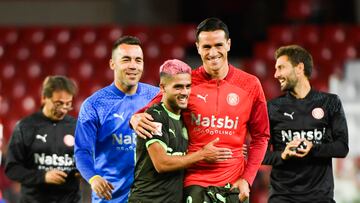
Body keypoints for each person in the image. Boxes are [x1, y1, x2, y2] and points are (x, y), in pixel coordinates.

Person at [131, 17, 270, 202]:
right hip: (194, 183)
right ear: (197, 47)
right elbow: (149, 110)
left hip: (234, 185)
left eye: (219, 45)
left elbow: (261, 137)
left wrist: (247, 179)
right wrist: (134, 118)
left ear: (228, 44)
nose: (213, 52)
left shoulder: (251, 84)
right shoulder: (186, 83)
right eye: (206, 47)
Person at [128, 59, 232, 202]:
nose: (184, 92)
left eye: (188, 86)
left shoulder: (183, 118)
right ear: (163, 88)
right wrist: (202, 155)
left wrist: (235, 148)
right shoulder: (155, 116)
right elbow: (161, 164)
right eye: (178, 87)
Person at [74, 36, 159, 202]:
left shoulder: (157, 97)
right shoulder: (94, 105)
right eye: (126, 60)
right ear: (112, 64)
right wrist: (93, 178)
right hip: (110, 197)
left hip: (149, 196)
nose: (133, 66)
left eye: (138, 60)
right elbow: (82, 151)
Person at [262, 45, 349, 203]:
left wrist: (313, 148)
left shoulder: (330, 102)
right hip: (282, 198)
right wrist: (282, 154)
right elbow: (260, 154)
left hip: (319, 198)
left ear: (299, 68)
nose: (276, 74)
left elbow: (342, 148)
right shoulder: (272, 107)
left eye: (281, 68)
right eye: (275, 69)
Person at [5, 75, 80, 203]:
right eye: (58, 104)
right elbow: (12, 168)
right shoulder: (25, 127)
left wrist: (83, 170)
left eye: (68, 104)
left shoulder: (78, 127)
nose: (63, 109)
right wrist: (43, 176)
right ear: (44, 98)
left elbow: (91, 160)